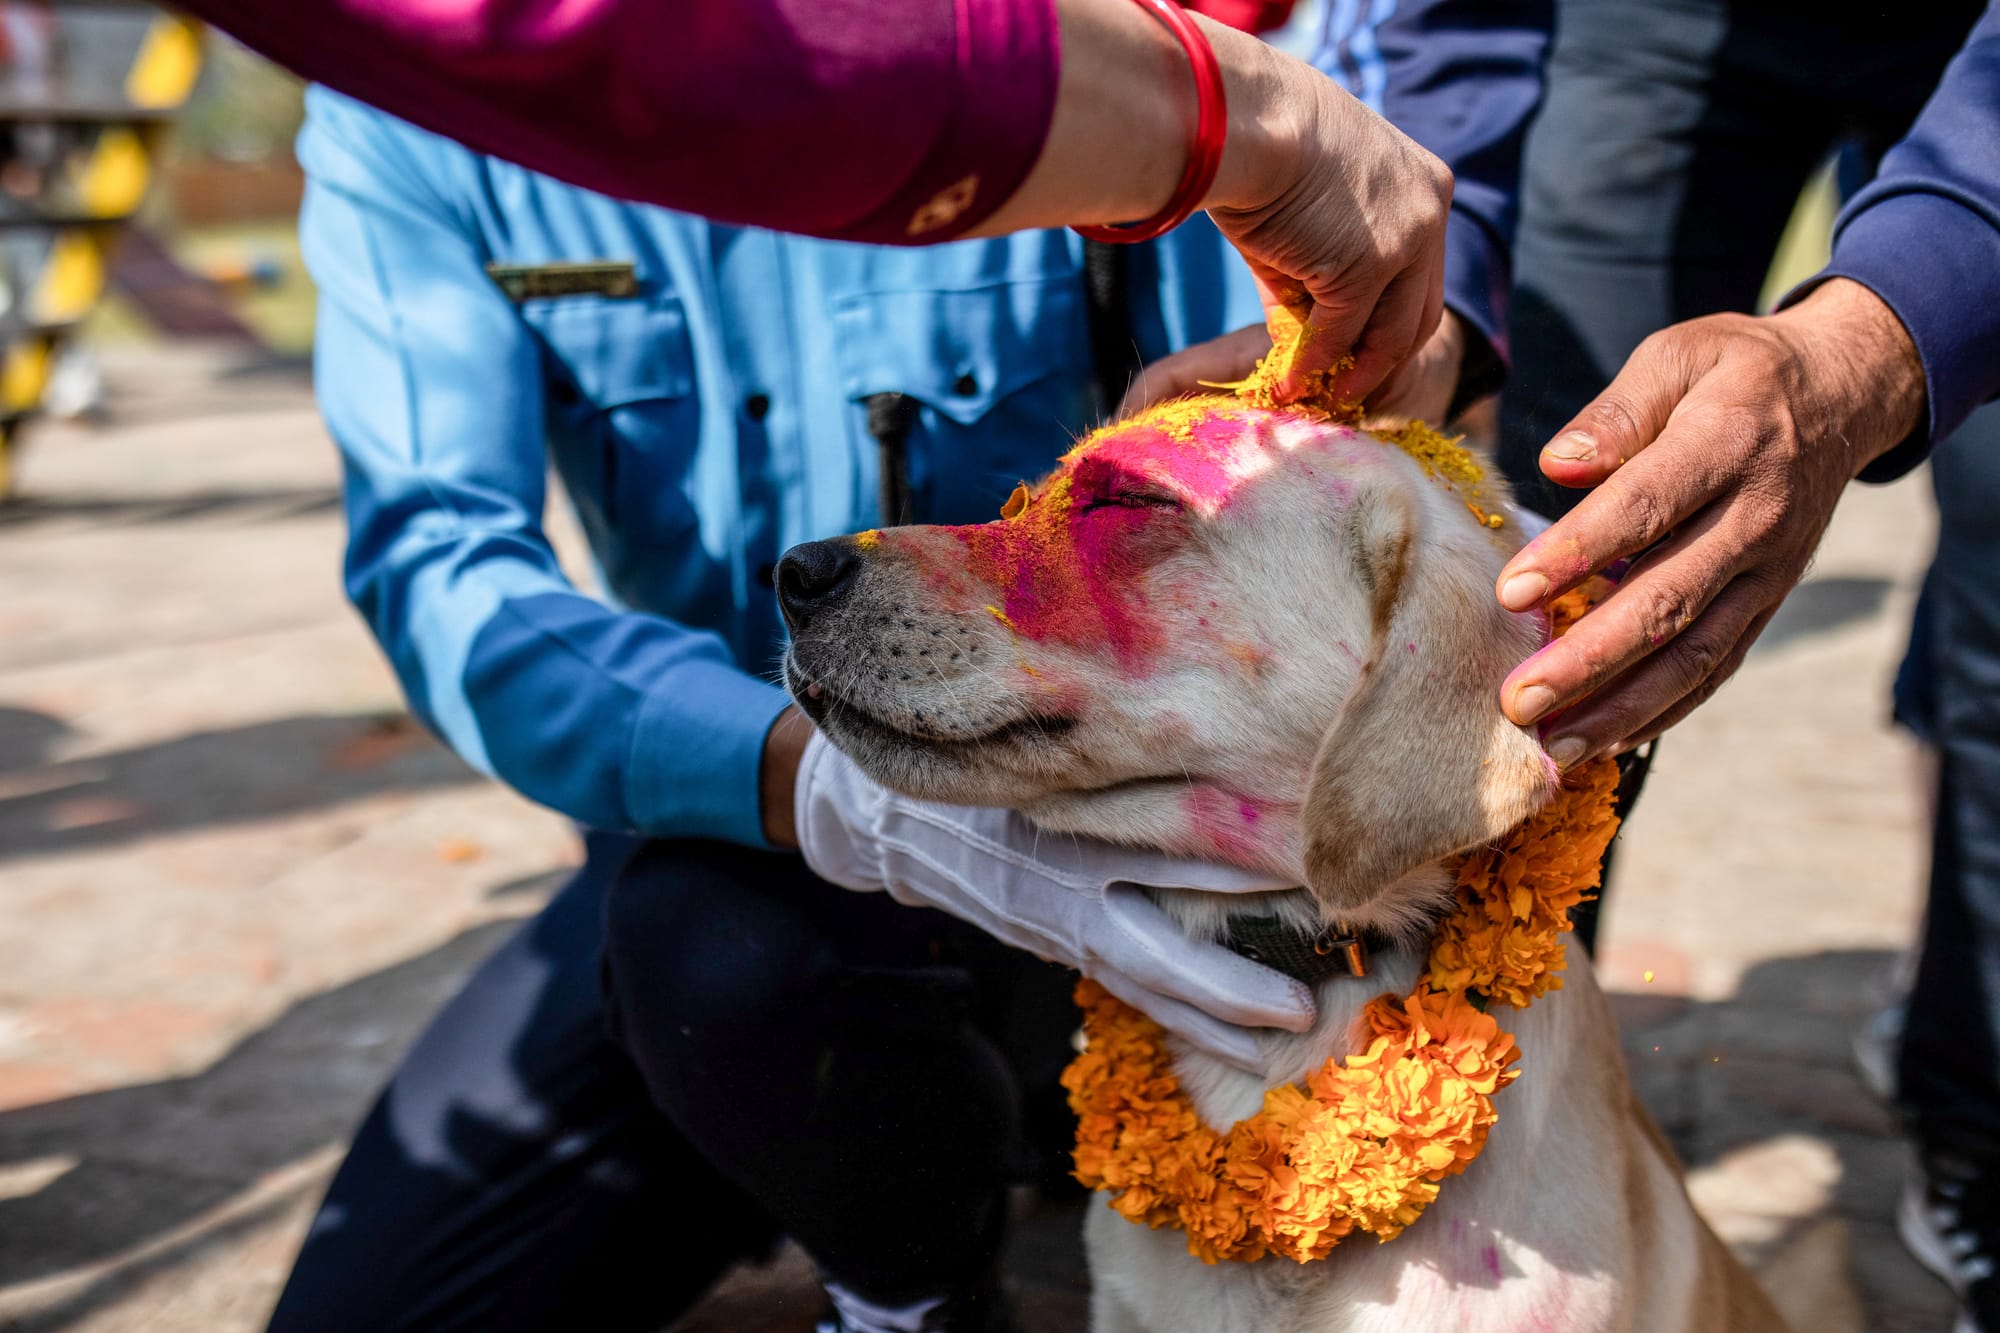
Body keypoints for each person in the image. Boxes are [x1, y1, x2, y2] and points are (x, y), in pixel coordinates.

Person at [266, 82, 1300, 1332]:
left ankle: (1015, 1126)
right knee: (393, 1296)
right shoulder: (421, 105)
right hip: (751, 864)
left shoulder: (1051, 50)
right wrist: (819, 787)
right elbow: (440, 557)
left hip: (1111, 831)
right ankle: (914, 1285)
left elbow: (1253, 432)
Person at [170, 0, 1453, 406]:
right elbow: (446, 565)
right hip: (740, 821)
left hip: (1089, 741)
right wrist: (793, 781)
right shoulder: (396, 130)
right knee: (713, 964)